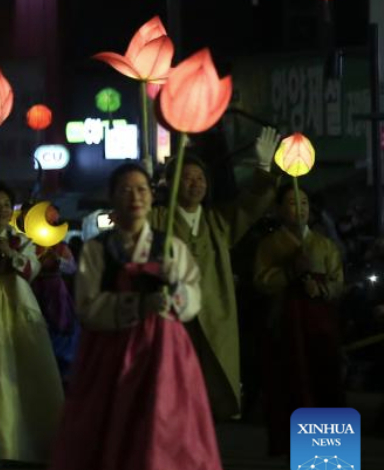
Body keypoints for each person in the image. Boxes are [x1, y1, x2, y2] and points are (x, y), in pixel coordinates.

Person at [50, 164, 218, 470]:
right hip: (112, 354)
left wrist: (176, 293)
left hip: (165, 351)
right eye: (125, 190)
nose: (135, 197)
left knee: (164, 420)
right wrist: (138, 306)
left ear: (152, 197)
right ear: (112, 198)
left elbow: (194, 297)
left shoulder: (170, 247)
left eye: (142, 189)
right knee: (113, 422)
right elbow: (87, 307)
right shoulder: (97, 250)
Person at [148, 127, 278, 419]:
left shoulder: (218, 223)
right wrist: (144, 185)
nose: (195, 184)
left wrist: (263, 167)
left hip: (212, 313)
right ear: (170, 183)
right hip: (172, 318)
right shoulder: (158, 219)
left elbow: (250, 205)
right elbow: (131, 223)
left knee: (205, 395)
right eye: (187, 177)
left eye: (200, 178)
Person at [0, 183, 63, 464]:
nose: (1, 209)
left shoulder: (21, 241)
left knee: (24, 368)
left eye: (6, 204)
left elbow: (32, 270)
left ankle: (30, 437)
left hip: (17, 308)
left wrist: (10, 253)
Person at [254, 185, 344, 456]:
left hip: (320, 328)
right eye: (293, 203)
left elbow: (338, 281)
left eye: (304, 203)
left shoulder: (324, 244)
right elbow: (261, 281)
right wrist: (290, 271)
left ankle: (330, 455)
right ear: (279, 209)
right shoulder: (269, 245)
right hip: (286, 326)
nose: (300, 208)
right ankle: (294, 452)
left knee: (325, 384)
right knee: (291, 385)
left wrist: (323, 289)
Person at [31, 238, 79, 381]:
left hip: (56, 290)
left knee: (60, 324)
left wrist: (57, 259)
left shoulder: (60, 247)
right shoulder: (29, 244)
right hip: (35, 288)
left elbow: (71, 268)